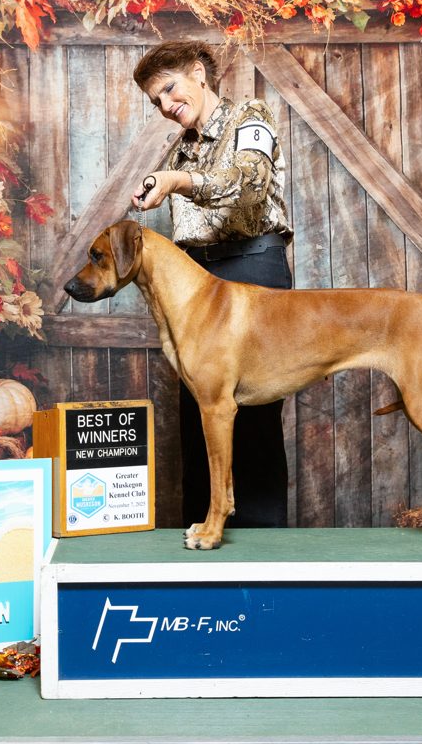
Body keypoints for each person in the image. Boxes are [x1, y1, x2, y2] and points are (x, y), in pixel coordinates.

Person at [131, 40, 294, 528]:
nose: (165, 106)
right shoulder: (182, 149)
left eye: (169, 89)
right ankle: (204, 541)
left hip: (250, 268)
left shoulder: (249, 117)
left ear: (199, 73)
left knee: (256, 421)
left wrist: (178, 183)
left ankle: (266, 551)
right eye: (155, 101)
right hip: (198, 282)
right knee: (199, 415)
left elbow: (248, 182)